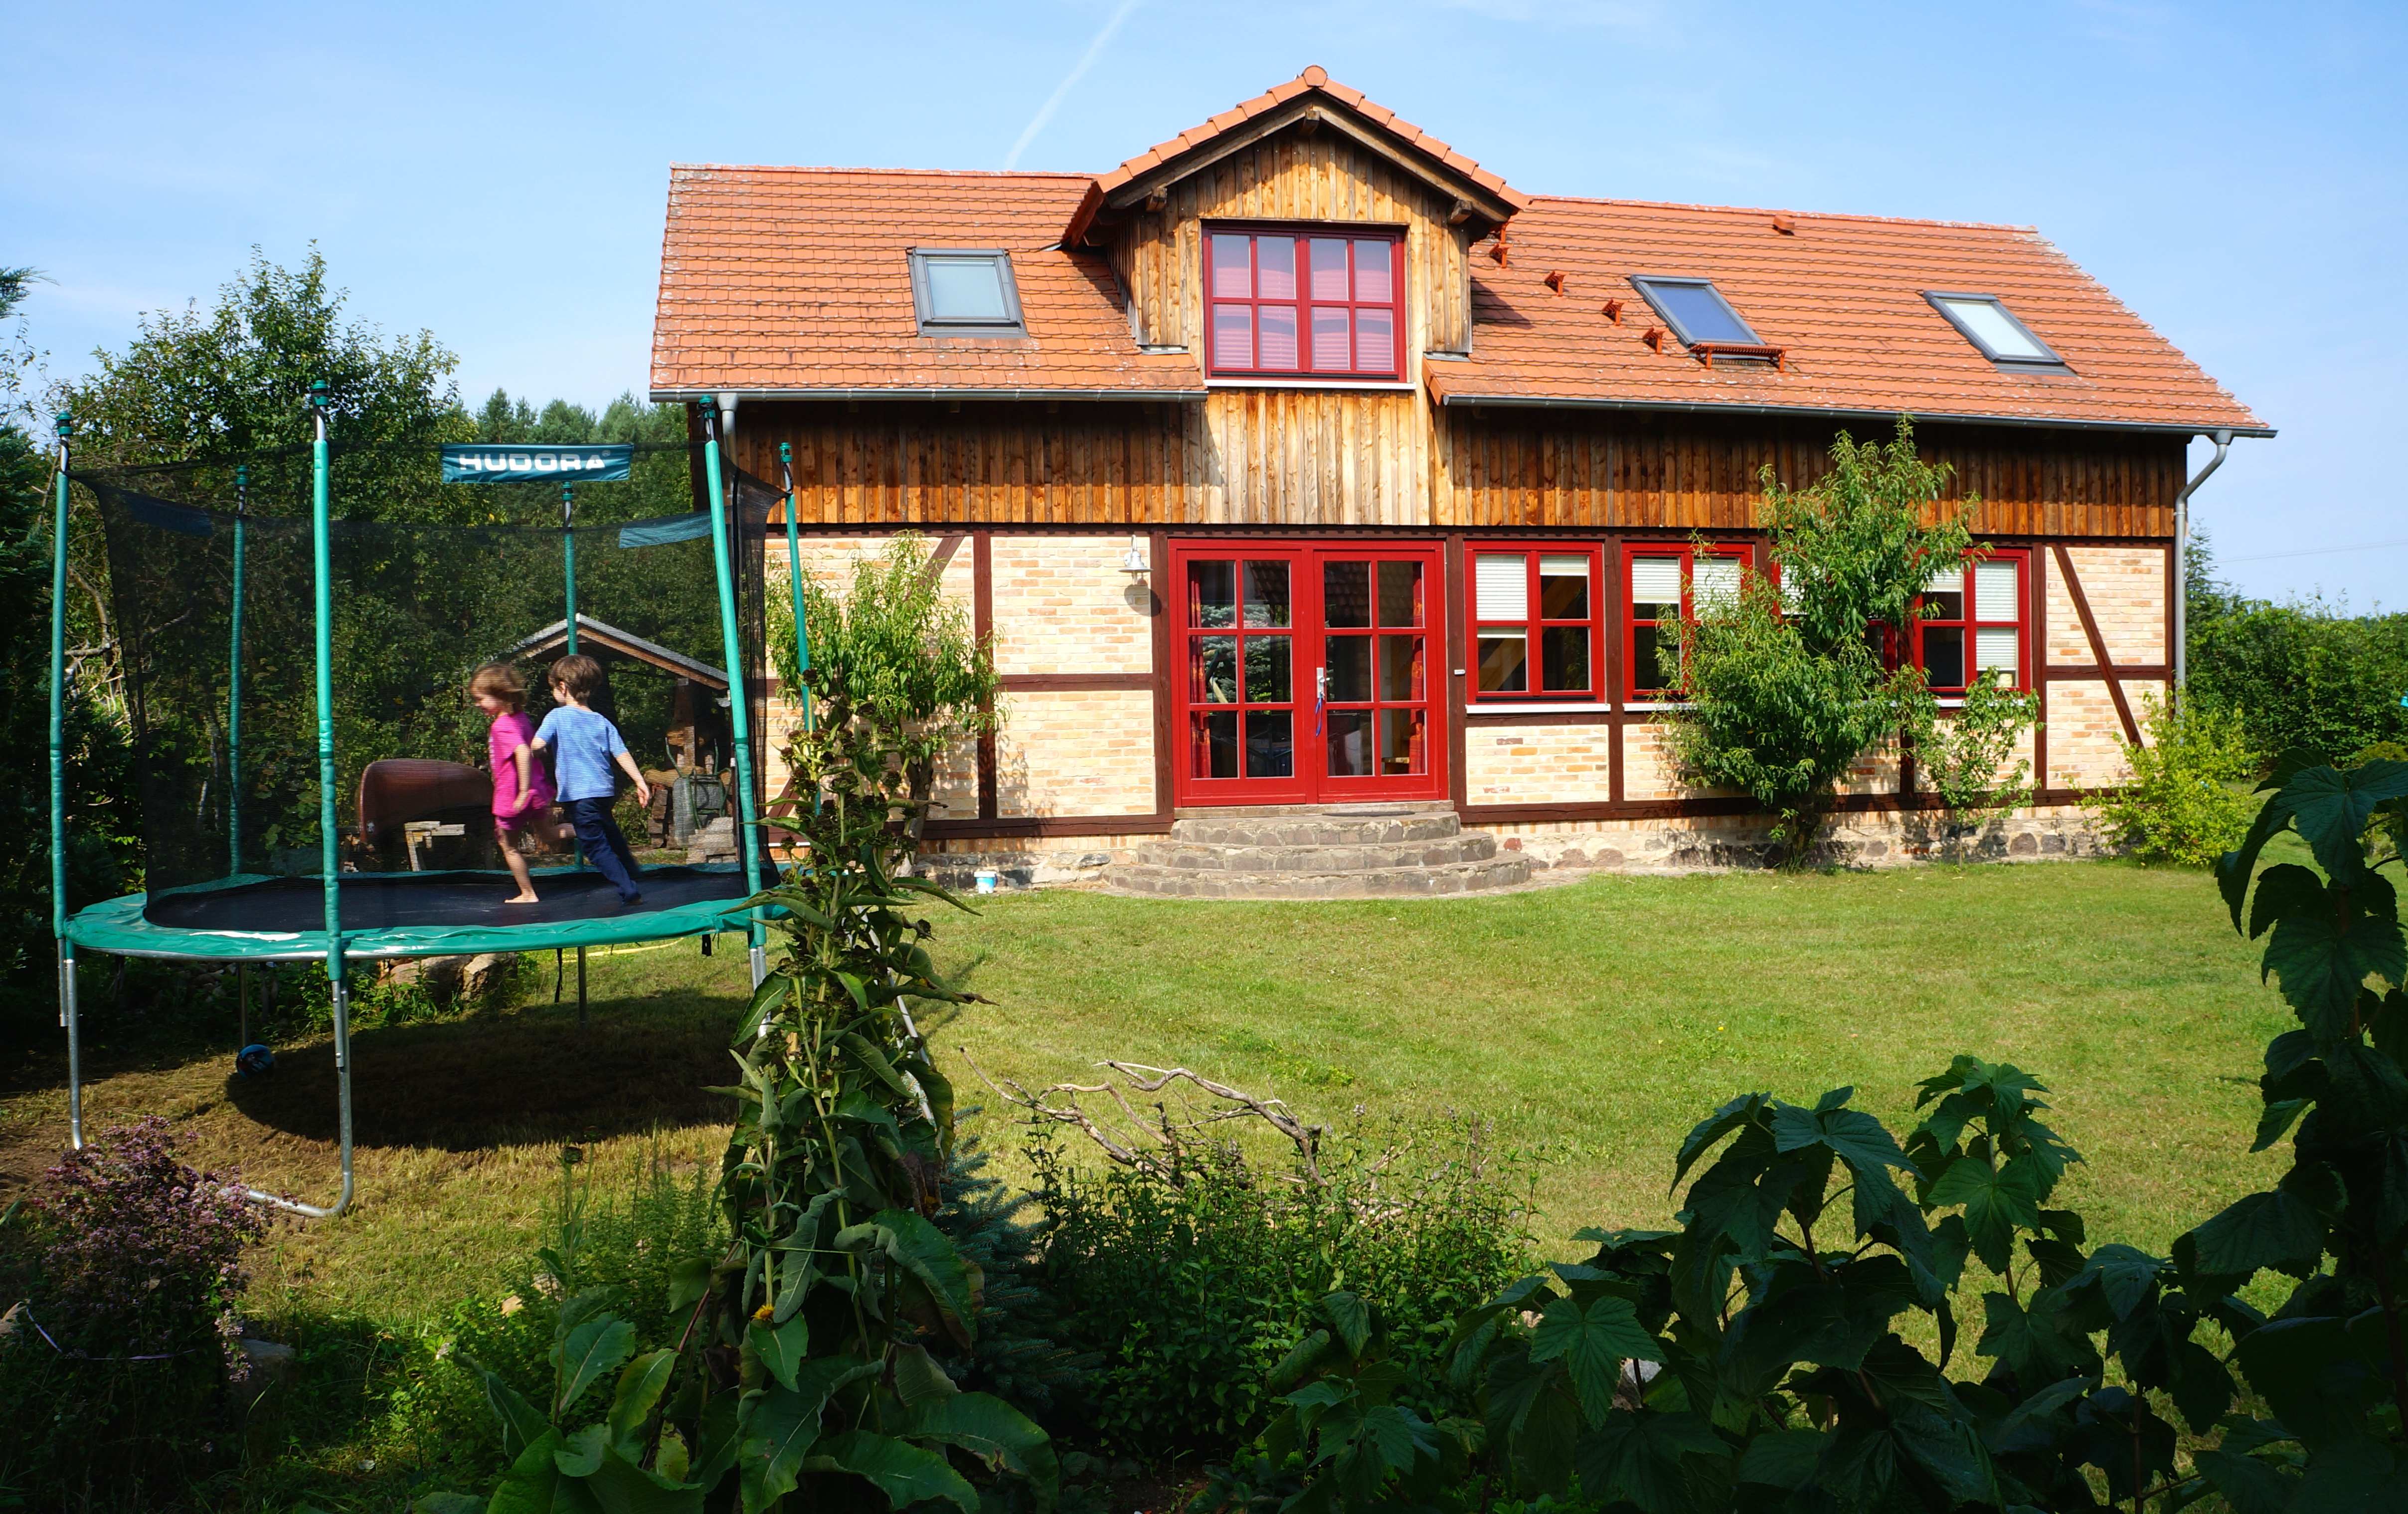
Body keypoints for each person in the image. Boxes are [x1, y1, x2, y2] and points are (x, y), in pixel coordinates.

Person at [530, 654, 652, 906]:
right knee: (608, 829)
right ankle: (631, 867)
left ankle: (628, 889)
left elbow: (537, 745)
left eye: (554, 688)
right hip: (604, 792)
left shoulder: (556, 716)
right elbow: (622, 753)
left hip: (579, 795)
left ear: (563, 687)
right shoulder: (601, 721)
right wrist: (640, 781)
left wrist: (532, 751)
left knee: (595, 846)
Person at [472, 662, 555, 904]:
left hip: (513, 796)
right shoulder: (520, 718)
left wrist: (521, 791)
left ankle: (528, 893)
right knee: (549, 834)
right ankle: (589, 828)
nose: (478, 705)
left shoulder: (502, 726)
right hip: (537, 790)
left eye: (481, 699)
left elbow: (522, 752)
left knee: (508, 846)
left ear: (499, 695)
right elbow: (532, 748)